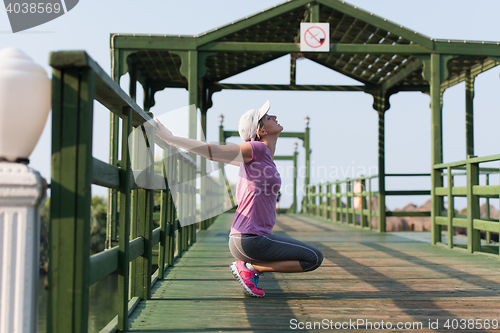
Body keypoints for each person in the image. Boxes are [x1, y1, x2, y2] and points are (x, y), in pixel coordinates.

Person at [154, 100, 323, 298]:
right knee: (314, 258)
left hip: (246, 239)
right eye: (268, 117)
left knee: (312, 257)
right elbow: (212, 152)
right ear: (260, 130)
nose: (275, 117)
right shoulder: (256, 149)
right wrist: (172, 139)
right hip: (250, 239)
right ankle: (251, 268)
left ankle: (250, 267)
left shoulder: (262, 156)